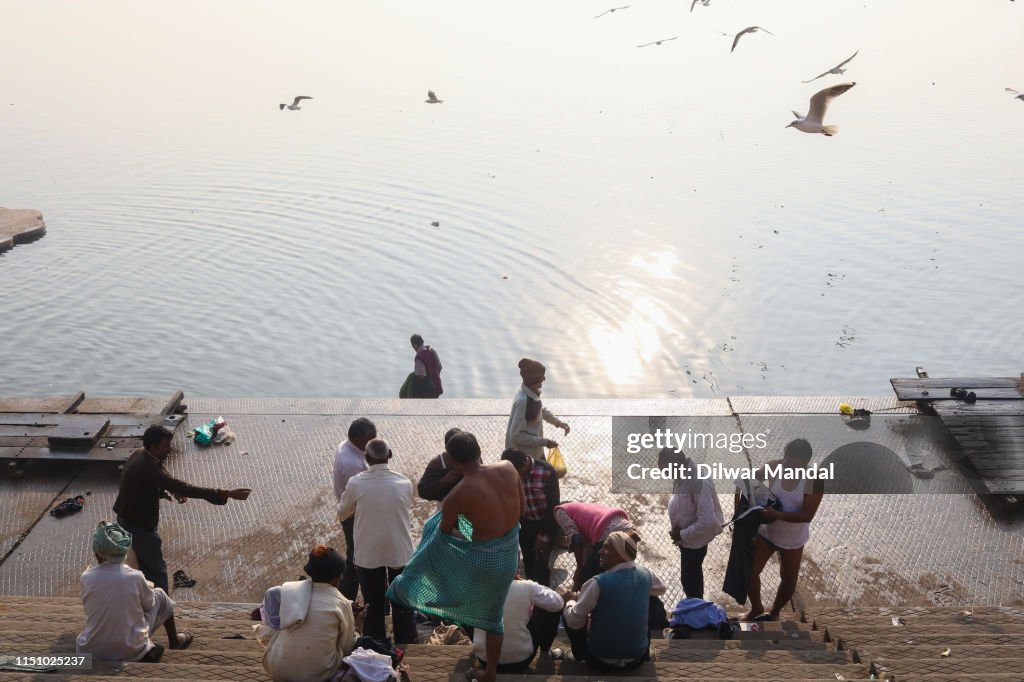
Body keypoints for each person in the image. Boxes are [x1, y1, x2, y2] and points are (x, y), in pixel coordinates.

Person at [387, 431, 523, 682]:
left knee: (432, 533)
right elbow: (521, 510)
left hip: (486, 562)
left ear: (451, 461)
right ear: (479, 449)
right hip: (510, 553)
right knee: (493, 616)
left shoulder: (457, 496)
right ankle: (489, 667)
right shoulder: (508, 467)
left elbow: (447, 533)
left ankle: (410, 585)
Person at [112, 425, 250, 593]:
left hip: (125, 519)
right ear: (153, 447)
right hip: (138, 528)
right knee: (157, 571)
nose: (169, 450)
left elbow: (148, 482)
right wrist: (226, 493)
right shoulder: (149, 467)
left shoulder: (140, 454)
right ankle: (164, 611)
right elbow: (185, 488)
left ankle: (147, 602)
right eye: (166, 447)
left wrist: (165, 491)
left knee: (144, 567)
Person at [337, 438, 417, 644]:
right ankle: (405, 639)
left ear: (367, 457)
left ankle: (376, 640)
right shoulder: (404, 482)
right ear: (389, 455)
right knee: (402, 601)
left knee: (373, 600)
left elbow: (343, 511)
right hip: (399, 550)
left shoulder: (356, 483)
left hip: (368, 552)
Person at [77, 521, 189, 662]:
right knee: (160, 594)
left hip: (91, 651)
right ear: (124, 552)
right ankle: (175, 641)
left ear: (97, 553)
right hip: (131, 652)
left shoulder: (86, 577)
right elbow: (149, 605)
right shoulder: (135, 577)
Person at [744, 438, 824, 621]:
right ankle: (756, 608)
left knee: (788, 579)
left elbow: (807, 515)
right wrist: (740, 511)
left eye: (793, 463)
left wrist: (778, 515)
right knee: (749, 572)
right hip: (767, 533)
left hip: (793, 539)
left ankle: (774, 613)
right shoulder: (774, 466)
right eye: (786, 460)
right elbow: (746, 483)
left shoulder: (814, 480)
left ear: (805, 463)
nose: (788, 466)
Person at [562, 530, 666, 670]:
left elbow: (574, 622)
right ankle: (644, 649)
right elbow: (661, 589)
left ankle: (579, 654)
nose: (600, 552)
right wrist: (634, 593)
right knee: (652, 599)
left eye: (606, 548)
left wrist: (571, 601)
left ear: (620, 554)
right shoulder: (646, 574)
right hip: (637, 658)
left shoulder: (597, 583)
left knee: (569, 611)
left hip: (599, 660)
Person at [255, 545, 356, 682]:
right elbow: (346, 647)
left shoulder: (289, 590)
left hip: (278, 669)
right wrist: (359, 624)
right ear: (337, 577)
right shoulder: (342, 603)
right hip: (319, 675)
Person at [663, 447, 725, 600]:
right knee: (692, 578)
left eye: (666, 470)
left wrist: (681, 534)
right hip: (686, 540)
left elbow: (707, 521)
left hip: (694, 541)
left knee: (690, 581)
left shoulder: (698, 481)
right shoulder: (681, 475)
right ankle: (697, 608)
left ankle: (697, 612)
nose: (665, 475)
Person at [471, 576, 564, 673]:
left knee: (466, 612)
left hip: (484, 660)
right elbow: (559, 603)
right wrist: (531, 587)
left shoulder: (476, 585)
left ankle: (478, 646)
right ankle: (545, 652)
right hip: (521, 660)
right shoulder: (527, 586)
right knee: (547, 608)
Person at [332, 417, 377, 600]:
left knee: (353, 557)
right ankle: (368, 601)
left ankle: (346, 597)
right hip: (356, 516)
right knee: (363, 560)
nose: (373, 443)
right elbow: (361, 497)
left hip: (350, 511)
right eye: (370, 439)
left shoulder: (347, 446)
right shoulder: (352, 464)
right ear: (359, 439)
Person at [501, 448, 559, 587]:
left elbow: (553, 506)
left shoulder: (547, 472)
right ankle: (531, 598)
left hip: (544, 523)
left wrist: (544, 537)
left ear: (522, 465)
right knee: (529, 561)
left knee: (541, 563)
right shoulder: (512, 473)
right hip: (525, 524)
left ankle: (544, 601)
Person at [553, 501, 633, 590]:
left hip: (610, 532)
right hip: (630, 531)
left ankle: (577, 600)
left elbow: (576, 539)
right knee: (615, 573)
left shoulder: (559, 511)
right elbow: (587, 548)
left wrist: (579, 569)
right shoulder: (583, 509)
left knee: (586, 578)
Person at [505, 358, 569, 463]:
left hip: (535, 453)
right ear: (534, 379)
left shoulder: (530, 392)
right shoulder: (522, 401)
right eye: (541, 377)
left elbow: (540, 409)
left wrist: (557, 422)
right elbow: (516, 436)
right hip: (524, 460)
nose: (544, 379)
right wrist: (544, 442)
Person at [416, 427, 464, 506]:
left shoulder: (471, 456)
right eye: (454, 448)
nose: (457, 452)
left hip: (470, 508)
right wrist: (444, 481)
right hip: (447, 508)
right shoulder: (437, 463)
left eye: (460, 447)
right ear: (446, 447)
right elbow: (422, 490)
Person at [403, 333, 443, 398]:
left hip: (427, 392)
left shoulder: (419, 358)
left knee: (412, 380)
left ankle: (409, 404)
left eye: (412, 345)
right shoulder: (432, 350)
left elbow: (421, 377)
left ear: (414, 345)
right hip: (437, 386)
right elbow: (440, 367)